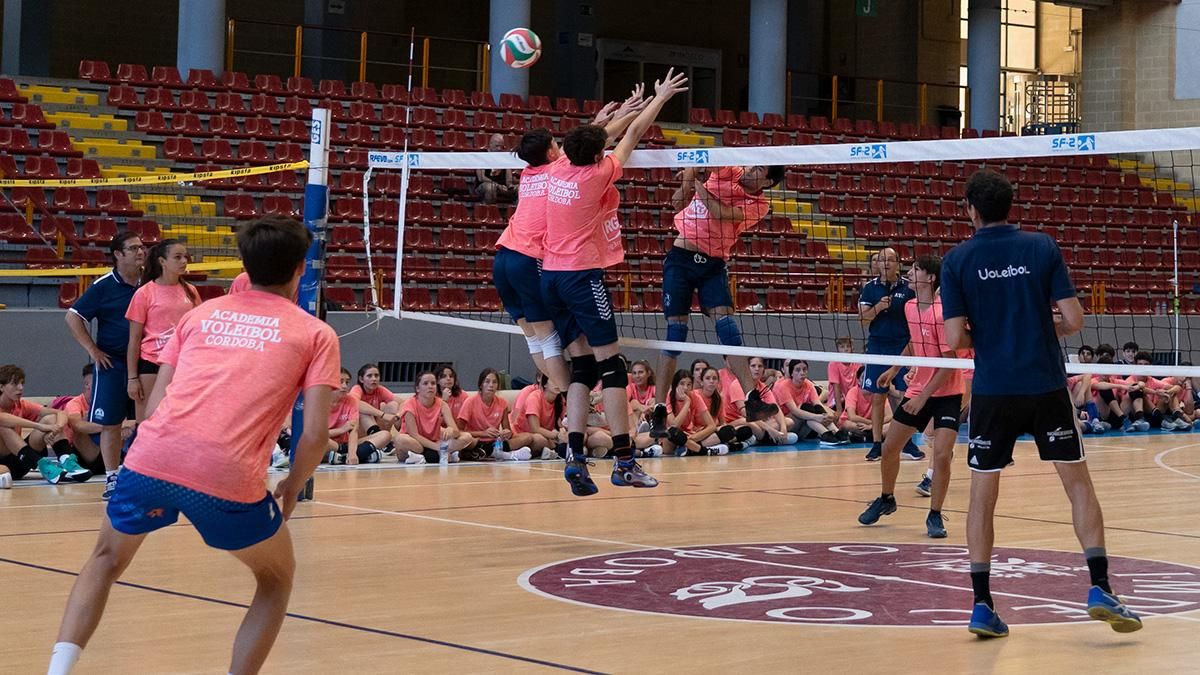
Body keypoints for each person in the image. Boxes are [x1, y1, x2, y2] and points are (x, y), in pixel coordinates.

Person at [48, 215, 341, 675]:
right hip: (226, 473)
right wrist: (291, 486)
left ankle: (57, 670)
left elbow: (158, 400)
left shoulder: (198, 313)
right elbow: (316, 434)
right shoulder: (315, 333)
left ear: (243, 264)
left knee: (105, 559)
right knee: (275, 579)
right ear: (301, 269)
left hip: (151, 455)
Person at [940, 169, 1142, 638]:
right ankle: (1099, 587)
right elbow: (1074, 319)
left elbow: (954, 339)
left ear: (971, 208)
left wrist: (993, 333)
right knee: (1078, 486)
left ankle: (983, 605)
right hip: (1045, 386)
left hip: (994, 390)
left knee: (981, 498)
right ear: (1010, 207)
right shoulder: (1042, 247)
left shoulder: (957, 260)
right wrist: (1035, 327)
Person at [540, 68, 688, 496]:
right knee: (613, 367)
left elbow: (602, 134)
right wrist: (659, 98)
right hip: (579, 278)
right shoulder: (597, 174)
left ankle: (575, 457)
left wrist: (616, 115)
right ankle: (625, 461)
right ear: (597, 151)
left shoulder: (559, 168)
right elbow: (634, 133)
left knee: (582, 366)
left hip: (549, 276)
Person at [492, 91, 647, 396]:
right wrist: (622, 117)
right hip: (529, 259)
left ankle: (563, 398)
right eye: (554, 143)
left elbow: (585, 142)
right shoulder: (559, 168)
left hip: (503, 257)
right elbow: (590, 146)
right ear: (552, 153)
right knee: (548, 338)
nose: (558, 145)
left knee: (533, 338)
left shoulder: (530, 170)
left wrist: (603, 121)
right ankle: (568, 398)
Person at [650, 160, 785, 434]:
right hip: (682, 259)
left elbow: (718, 211)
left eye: (759, 170)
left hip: (713, 264)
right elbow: (703, 162)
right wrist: (689, 174)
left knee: (727, 327)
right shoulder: (732, 171)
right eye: (752, 166)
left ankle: (752, 397)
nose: (750, 170)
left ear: (768, 183)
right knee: (675, 333)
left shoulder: (759, 205)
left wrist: (695, 183)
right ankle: (659, 409)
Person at [857, 255, 964, 539]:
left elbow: (948, 361)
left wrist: (923, 396)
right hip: (919, 391)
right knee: (890, 448)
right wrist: (893, 369)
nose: (909, 273)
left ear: (930, 278)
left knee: (941, 456)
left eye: (915, 269)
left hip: (947, 393)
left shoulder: (944, 313)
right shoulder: (909, 306)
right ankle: (886, 498)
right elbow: (914, 342)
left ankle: (935, 514)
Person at [65, 231, 145, 499]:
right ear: (118, 255)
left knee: (151, 421)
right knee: (111, 423)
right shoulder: (103, 286)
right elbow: (73, 317)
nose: (140, 252)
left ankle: (147, 475)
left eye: (142, 247)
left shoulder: (152, 282)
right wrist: (93, 350)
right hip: (113, 364)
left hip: (146, 362)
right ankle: (112, 478)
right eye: (133, 248)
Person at [126, 239, 201, 425]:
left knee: (180, 423)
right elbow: (134, 340)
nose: (184, 261)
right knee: (146, 424)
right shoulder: (144, 293)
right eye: (177, 257)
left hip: (183, 365)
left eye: (186, 257)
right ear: (162, 261)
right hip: (152, 363)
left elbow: (199, 331)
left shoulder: (190, 291)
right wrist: (132, 378)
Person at [858, 247, 920, 462]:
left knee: (904, 396)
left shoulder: (908, 287)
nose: (886, 264)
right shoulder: (869, 288)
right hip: (878, 347)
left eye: (891, 260)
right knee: (878, 395)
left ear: (897, 263)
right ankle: (876, 444)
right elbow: (863, 320)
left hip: (902, 347)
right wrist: (877, 308)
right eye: (882, 260)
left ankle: (906, 443)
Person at [0, 364, 79, 484]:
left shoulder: (21, 404)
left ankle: (67, 461)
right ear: (1, 387)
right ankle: (42, 464)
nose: (20, 388)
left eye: (22, 383)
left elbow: (60, 413)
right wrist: (39, 426)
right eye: (15, 384)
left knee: (50, 419)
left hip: (21, 459)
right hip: (3, 463)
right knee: (4, 427)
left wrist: (57, 427)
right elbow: (2, 418)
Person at [395, 371, 475, 465]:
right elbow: (414, 435)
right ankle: (439, 454)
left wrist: (451, 430)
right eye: (425, 383)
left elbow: (456, 431)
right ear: (417, 388)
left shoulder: (442, 404)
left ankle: (424, 457)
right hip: (416, 443)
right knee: (401, 439)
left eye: (433, 383)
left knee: (467, 437)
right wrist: (438, 447)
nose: (430, 386)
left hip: (434, 441)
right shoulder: (409, 405)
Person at [457, 368, 535, 461]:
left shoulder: (502, 403)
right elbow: (459, 431)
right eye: (487, 381)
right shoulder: (470, 402)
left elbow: (508, 430)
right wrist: (483, 433)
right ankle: (505, 455)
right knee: (466, 439)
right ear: (481, 385)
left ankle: (493, 452)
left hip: (495, 441)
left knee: (528, 437)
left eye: (494, 382)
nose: (491, 385)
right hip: (476, 440)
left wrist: (505, 433)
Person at [325, 368, 389, 466]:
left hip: (347, 444)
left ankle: (341, 457)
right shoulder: (318, 401)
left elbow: (353, 431)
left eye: (347, 382)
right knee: (319, 441)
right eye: (340, 382)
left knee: (385, 435)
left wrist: (352, 454)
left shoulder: (351, 400)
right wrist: (341, 430)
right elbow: (315, 434)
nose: (344, 386)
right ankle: (364, 455)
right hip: (329, 443)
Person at [773, 360, 846, 446]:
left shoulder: (808, 384)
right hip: (788, 424)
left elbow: (817, 403)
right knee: (806, 407)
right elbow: (794, 410)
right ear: (791, 373)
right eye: (798, 370)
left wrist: (824, 416)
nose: (802, 373)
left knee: (815, 409)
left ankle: (831, 432)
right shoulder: (783, 386)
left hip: (805, 424)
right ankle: (827, 433)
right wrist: (817, 417)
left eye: (804, 369)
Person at [661, 370, 729, 456]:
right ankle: (704, 451)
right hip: (673, 438)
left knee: (728, 431)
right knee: (673, 432)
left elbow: (712, 425)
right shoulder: (669, 397)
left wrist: (693, 438)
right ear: (675, 385)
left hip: (691, 436)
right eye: (682, 384)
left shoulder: (695, 397)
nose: (685, 388)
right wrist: (687, 403)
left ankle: (689, 449)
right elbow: (674, 425)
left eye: (689, 384)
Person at [511, 374, 565, 459]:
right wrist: (556, 436)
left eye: (559, 380)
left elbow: (564, 422)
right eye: (553, 380)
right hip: (523, 435)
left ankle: (553, 450)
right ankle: (554, 450)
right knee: (540, 440)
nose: (557, 384)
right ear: (545, 384)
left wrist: (564, 433)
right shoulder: (534, 397)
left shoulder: (560, 400)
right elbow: (535, 429)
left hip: (547, 435)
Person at [350, 363, 399, 433]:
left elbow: (402, 402)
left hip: (377, 424)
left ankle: (394, 434)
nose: (374, 379)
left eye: (376, 375)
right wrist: (383, 414)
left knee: (392, 405)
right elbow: (354, 403)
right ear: (361, 379)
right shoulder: (357, 388)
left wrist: (398, 415)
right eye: (369, 376)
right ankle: (377, 436)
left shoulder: (380, 389)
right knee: (364, 412)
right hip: (358, 429)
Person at [475, 133, 516, 203]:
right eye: (497, 146)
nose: (499, 149)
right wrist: (497, 185)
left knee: (520, 189)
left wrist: (510, 186)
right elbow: (481, 177)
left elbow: (509, 180)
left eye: (501, 146)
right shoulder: (482, 155)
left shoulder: (504, 157)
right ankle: (490, 211)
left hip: (501, 186)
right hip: (485, 185)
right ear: (490, 144)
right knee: (490, 187)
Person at [825, 336, 861, 416]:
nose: (846, 349)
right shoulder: (833, 364)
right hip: (838, 401)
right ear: (838, 349)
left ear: (852, 348)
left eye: (848, 346)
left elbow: (859, 384)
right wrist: (839, 410)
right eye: (842, 347)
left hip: (852, 399)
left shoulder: (857, 362)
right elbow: (836, 387)